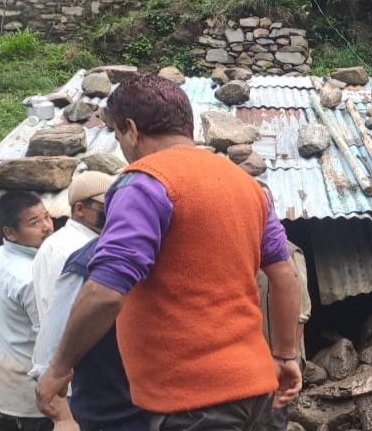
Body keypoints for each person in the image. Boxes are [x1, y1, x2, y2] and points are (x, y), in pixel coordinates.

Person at [35, 75, 303, 430]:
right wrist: (285, 355)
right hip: (258, 394)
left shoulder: (143, 182)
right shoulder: (247, 186)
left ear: (130, 130)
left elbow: (105, 294)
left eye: (117, 136)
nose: (123, 147)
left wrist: (59, 368)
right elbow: (286, 276)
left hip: (195, 405)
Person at [30, 238, 148, 431]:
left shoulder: (166, 251)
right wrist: (63, 418)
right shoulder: (86, 263)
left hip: (157, 409)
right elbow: (48, 348)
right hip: (110, 414)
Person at [0, 191, 54, 431]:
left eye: (47, 217)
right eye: (34, 223)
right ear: (9, 232)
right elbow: (48, 343)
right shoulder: (32, 277)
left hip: (1, 391)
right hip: (34, 402)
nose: (47, 227)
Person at [256, 182, 312, 431]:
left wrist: (288, 355)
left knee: (272, 421)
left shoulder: (289, 253)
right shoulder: (243, 252)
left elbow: (301, 313)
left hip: (278, 360)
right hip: (249, 361)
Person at [32, 171, 112, 318]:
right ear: (80, 209)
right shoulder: (69, 250)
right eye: (105, 207)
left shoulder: (86, 241)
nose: (114, 211)